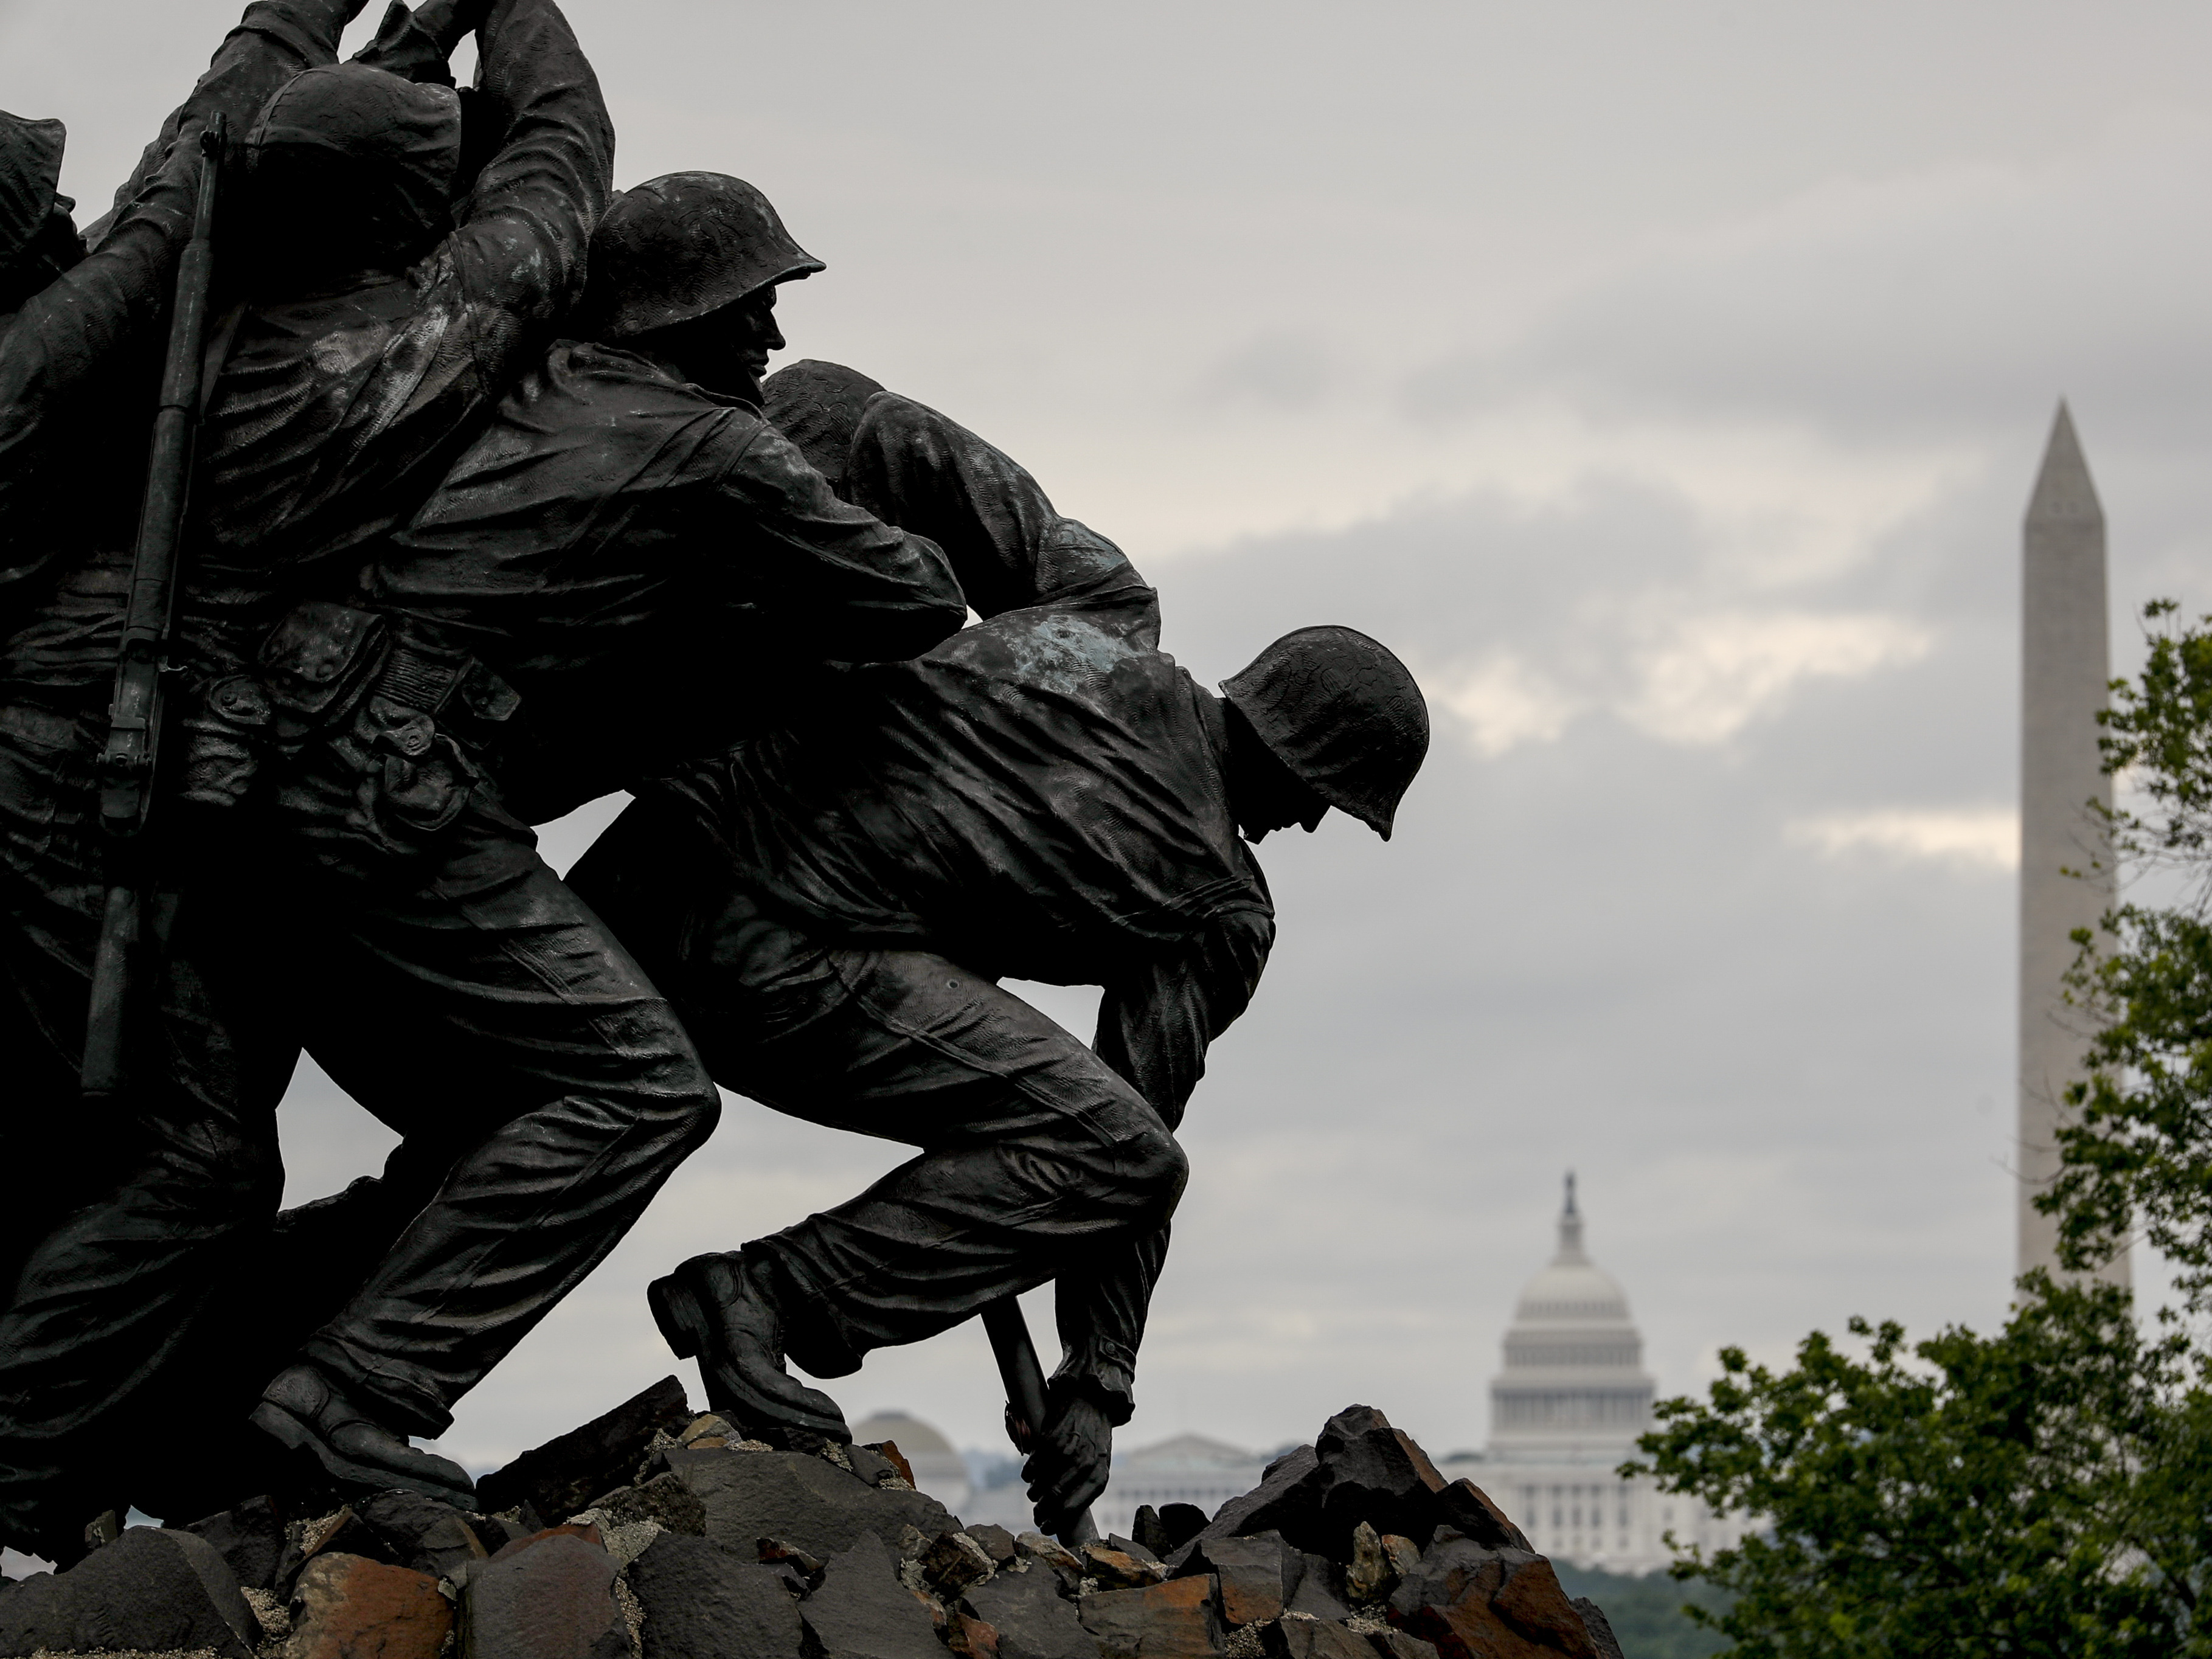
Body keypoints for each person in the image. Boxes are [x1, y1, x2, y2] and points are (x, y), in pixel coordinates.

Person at [565, 358, 1430, 1532]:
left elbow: (872, 422)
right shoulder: (1219, 905)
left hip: (642, 864)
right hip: (760, 956)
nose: (1317, 823)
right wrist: (1095, 1388)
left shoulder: (1098, 603)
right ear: (1310, 768)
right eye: (1331, 799)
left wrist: (748, 436)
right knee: (1116, 1152)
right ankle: (764, 1298)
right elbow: (1131, 1146)